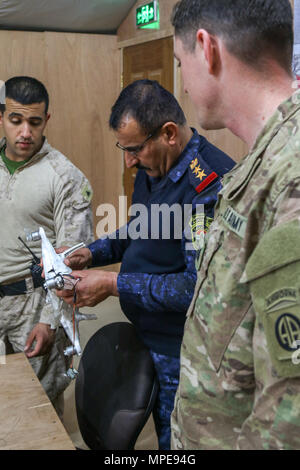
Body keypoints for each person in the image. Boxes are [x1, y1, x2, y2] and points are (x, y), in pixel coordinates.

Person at [57, 79, 235, 449]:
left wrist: (111, 284)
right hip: (147, 335)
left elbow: (195, 289)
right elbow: (140, 229)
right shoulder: (153, 169)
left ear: (168, 133)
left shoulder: (208, 187)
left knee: (180, 441)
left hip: (186, 350)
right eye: (124, 148)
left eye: (135, 149)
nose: (129, 161)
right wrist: (92, 252)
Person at [171, 0, 300, 450]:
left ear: (205, 49)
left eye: (179, 62)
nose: (183, 84)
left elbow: (290, 416)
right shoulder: (265, 157)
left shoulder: (291, 175)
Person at [0, 76, 94, 418]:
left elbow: (71, 263)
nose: (25, 132)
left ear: (46, 121)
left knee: (37, 409)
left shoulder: (65, 177)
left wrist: (50, 321)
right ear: (1, 117)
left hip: (34, 305)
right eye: (16, 120)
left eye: (34, 122)